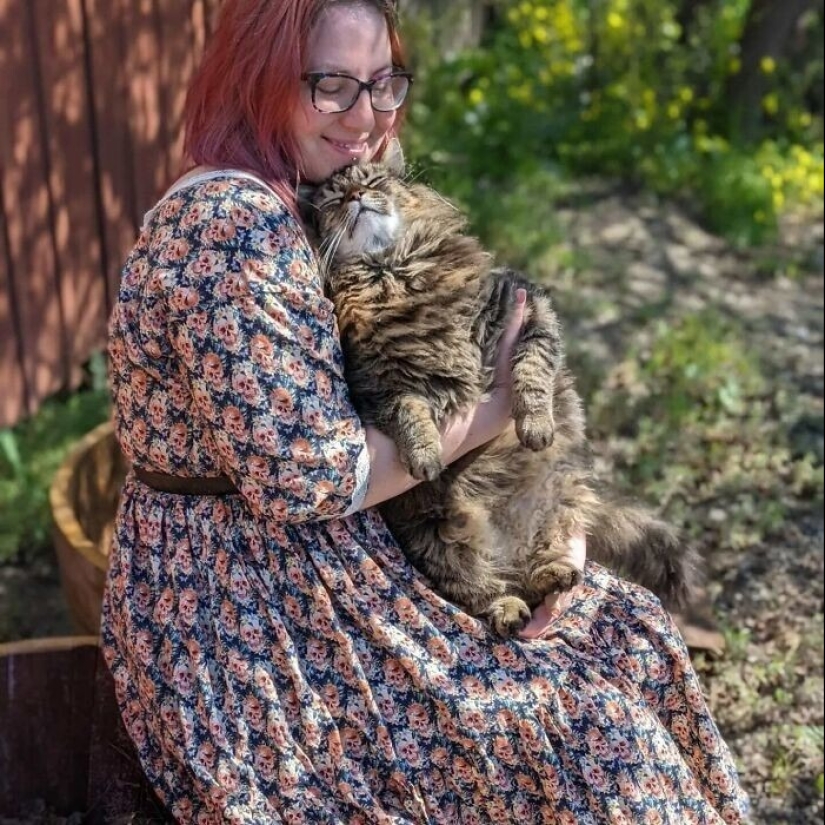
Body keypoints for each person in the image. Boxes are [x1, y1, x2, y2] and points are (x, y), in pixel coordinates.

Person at [101, 0, 751, 822]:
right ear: (256, 78)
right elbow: (307, 478)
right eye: (331, 85)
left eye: (382, 85)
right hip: (247, 613)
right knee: (595, 737)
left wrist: (535, 516)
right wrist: (494, 409)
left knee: (625, 630)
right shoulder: (229, 230)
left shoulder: (307, 192)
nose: (367, 116)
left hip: (339, 556)